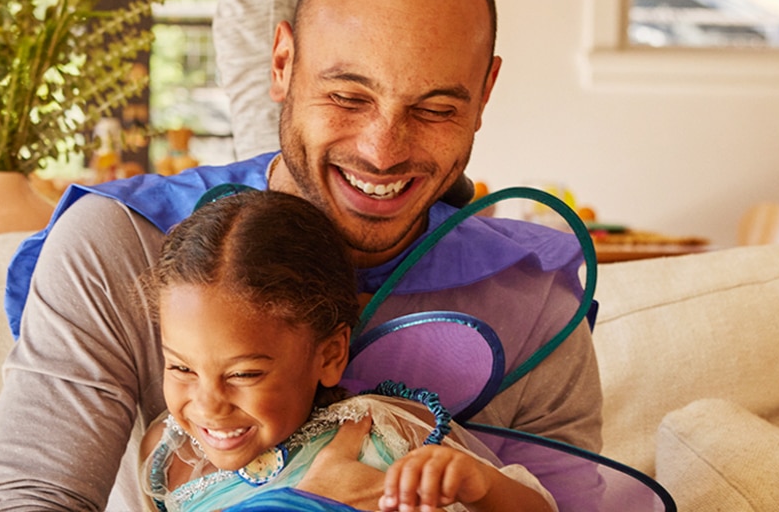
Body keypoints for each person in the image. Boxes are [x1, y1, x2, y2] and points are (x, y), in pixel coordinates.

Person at [0, 0, 603, 510]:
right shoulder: (119, 243)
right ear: (282, 63)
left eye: (436, 109)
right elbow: (32, 498)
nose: (383, 151)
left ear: (484, 94)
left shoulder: (534, 300)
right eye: (348, 97)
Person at [136, 189, 553, 512]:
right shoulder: (169, 456)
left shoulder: (379, 434)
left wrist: (481, 486)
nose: (208, 405)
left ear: (331, 355)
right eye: (180, 367)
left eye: (244, 374)